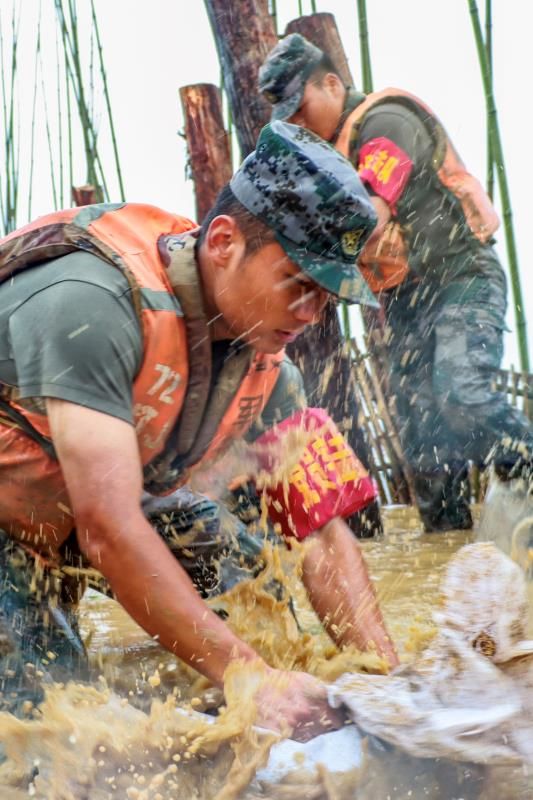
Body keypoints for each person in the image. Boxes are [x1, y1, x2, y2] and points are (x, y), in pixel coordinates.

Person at [0, 121, 397, 736]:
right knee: (51, 733)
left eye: (326, 297)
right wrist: (251, 681)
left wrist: (386, 682)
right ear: (222, 242)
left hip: (72, 515)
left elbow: (320, 531)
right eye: (297, 284)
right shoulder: (92, 304)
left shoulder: (271, 369)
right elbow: (108, 527)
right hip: (19, 523)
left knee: (253, 600)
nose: (311, 315)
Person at [259, 33, 533, 533]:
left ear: (332, 83)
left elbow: (371, 214)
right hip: (406, 301)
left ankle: (529, 473)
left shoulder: (386, 121)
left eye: (302, 108)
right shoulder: (327, 159)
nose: (297, 123)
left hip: (461, 278)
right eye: (289, 117)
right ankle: (445, 550)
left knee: (461, 391)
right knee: (422, 435)